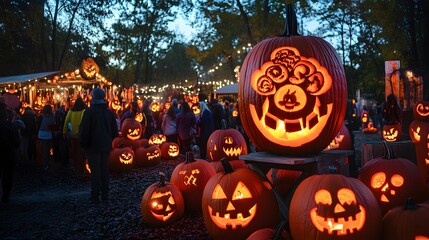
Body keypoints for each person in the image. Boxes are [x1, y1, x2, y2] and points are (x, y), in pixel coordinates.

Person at [79, 88, 118, 204]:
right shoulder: (109, 113)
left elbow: (84, 130)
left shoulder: (89, 112)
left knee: (95, 171)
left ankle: (95, 196)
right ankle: (105, 195)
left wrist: (84, 143)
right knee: (104, 170)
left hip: (93, 146)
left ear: (93, 97)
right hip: (105, 146)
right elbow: (115, 131)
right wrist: (108, 139)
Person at [0, 103, 20, 202]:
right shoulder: (10, 126)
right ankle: (5, 197)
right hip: (8, 154)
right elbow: (17, 143)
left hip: (7, 154)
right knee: (7, 176)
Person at [63, 97, 86, 172]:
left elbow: (66, 122)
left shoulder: (71, 112)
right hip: (81, 134)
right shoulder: (84, 111)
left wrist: (64, 132)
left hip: (72, 134)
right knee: (81, 151)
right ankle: (81, 166)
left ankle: (75, 166)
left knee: (74, 150)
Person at [37, 104, 56, 170]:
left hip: (41, 134)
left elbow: (38, 125)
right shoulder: (53, 116)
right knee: (47, 150)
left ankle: (41, 162)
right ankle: (46, 163)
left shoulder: (41, 117)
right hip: (48, 134)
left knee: (41, 149)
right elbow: (54, 125)